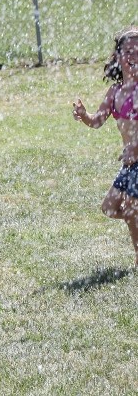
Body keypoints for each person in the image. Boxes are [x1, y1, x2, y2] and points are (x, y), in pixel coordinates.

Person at [73, 27, 138, 266]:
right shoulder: (115, 92)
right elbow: (97, 121)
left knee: (131, 209)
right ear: (118, 57)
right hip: (129, 164)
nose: (134, 56)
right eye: (129, 51)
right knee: (110, 208)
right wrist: (84, 115)